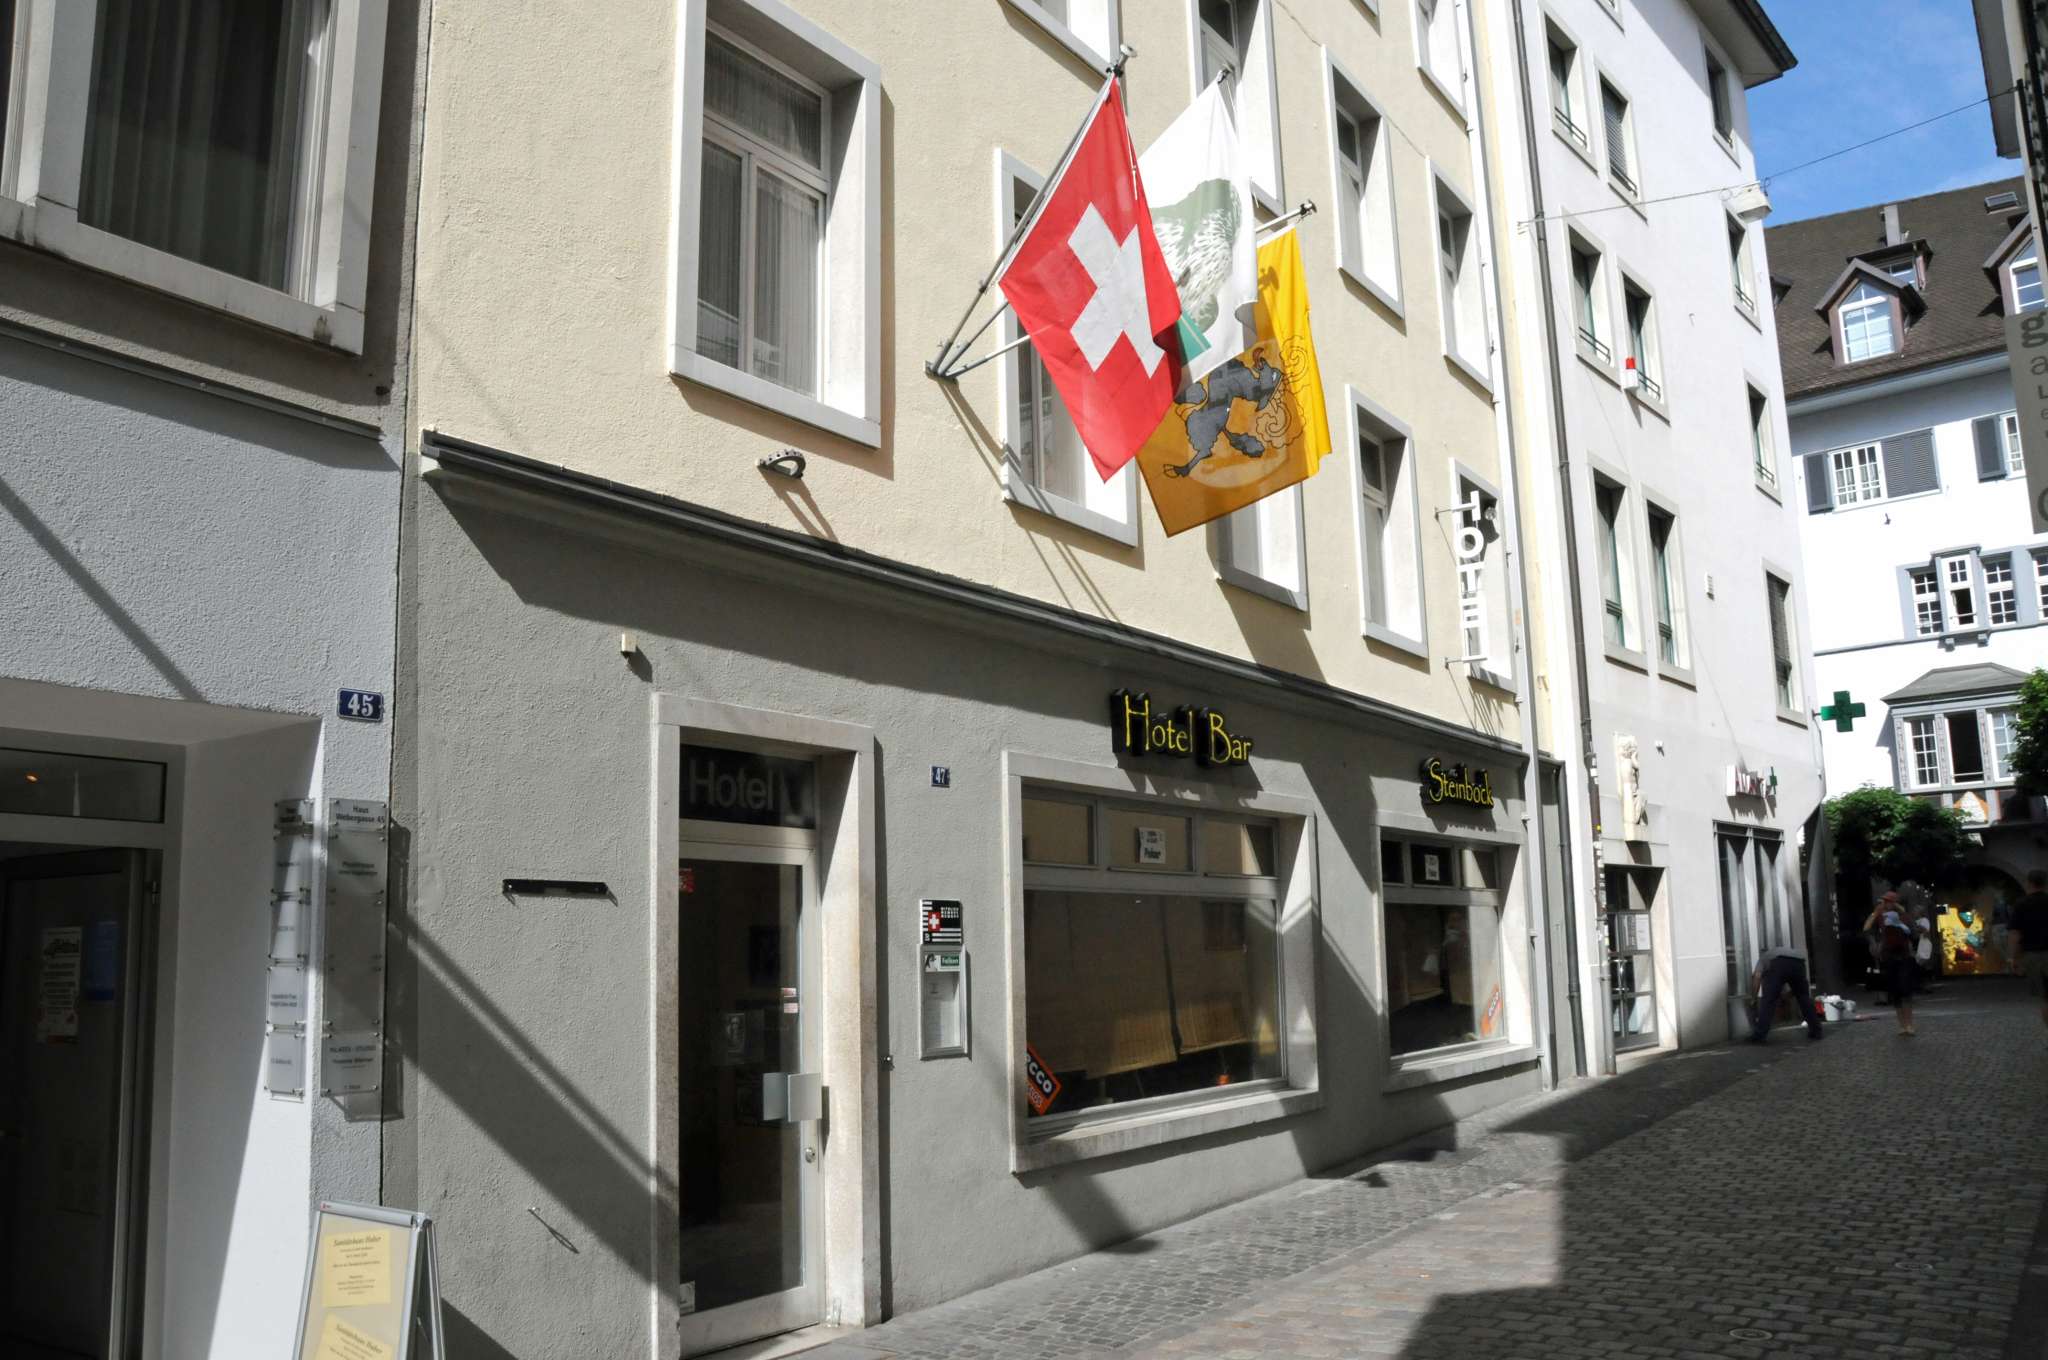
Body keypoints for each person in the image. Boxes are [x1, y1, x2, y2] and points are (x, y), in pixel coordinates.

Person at [1864, 891, 1919, 1036]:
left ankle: (1909, 1024)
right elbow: (1867, 929)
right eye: (1884, 901)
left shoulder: (1903, 916)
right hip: (1888, 957)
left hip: (1904, 957)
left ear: (1895, 903)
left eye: (1889, 901)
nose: (1886, 904)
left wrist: (1901, 921)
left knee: (1905, 991)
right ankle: (1902, 1025)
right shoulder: (1880, 917)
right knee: (1895, 993)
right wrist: (1875, 914)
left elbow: (1914, 933)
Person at [1746, 942, 1823, 1043]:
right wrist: (1786, 996)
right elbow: (1798, 988)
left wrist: (1753, 999)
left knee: (1768, 1000)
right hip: (1799, 961)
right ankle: (1816, 1031)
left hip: (1778, 963)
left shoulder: (1763, 958)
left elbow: (1757, 977)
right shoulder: (1781, 952)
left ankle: (1759, 1035)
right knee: (1803, 997)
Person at [2009, 869, 2048, 1033]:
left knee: (2045, 999)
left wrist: (2014, 958)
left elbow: (2015, 934)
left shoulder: (2021, 905)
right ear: (2045, 883)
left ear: (2029, 883)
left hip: (2033, 956)